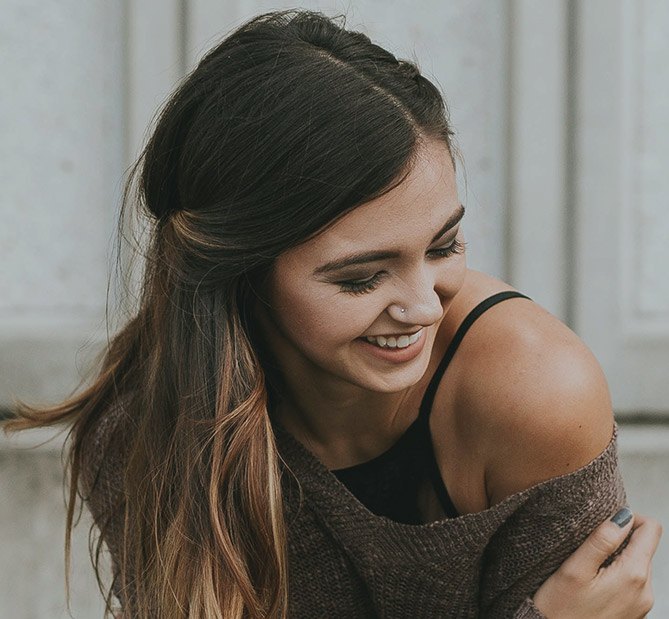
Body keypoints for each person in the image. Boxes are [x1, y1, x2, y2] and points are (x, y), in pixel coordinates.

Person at [4, 9, 661, 618]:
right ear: (244, 271)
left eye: (442, 245)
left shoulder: (532, 391)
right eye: (360, 276)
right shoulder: (144, 430)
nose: (422, 304)